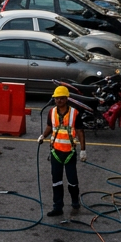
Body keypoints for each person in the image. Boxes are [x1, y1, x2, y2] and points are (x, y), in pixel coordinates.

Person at [38, 85, 86, 216]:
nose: (59, 100)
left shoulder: (74, 113)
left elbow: (80, 132)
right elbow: (50, 126)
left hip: (70, 153)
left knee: (72, 181)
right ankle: (57, 207)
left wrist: (83, 150)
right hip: (56, 153)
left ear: (66, 99)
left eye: (61, 98)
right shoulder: (51, 112)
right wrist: (43, 136)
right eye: (56, 98)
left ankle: (75, 201)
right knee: (56, 181)